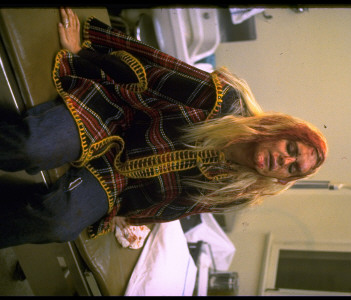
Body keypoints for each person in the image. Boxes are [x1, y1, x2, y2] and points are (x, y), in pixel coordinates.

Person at [0, 8, 328, 249]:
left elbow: (169, 204)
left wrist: (126, 216)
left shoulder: (235, 193)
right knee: (35, 145)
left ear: (283, 180)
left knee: (61, 222)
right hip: (114, 116)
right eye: (291, 149)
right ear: (277, 131)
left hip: (117, 180)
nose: (284, 161)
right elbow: (148, 73)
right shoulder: (222, 102)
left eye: (293, 168)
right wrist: (83, 55)